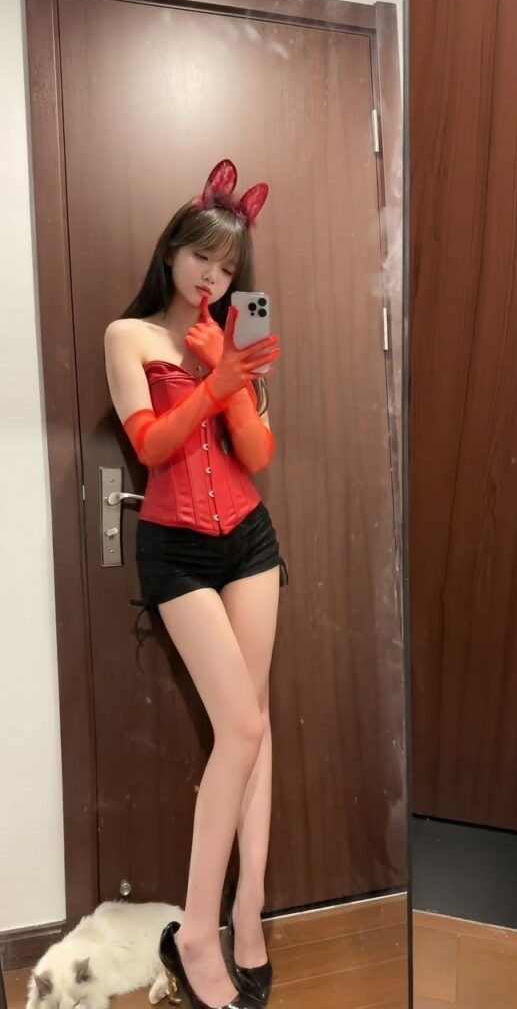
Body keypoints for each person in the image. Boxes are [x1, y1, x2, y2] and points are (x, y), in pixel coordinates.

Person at [104, 160, 286, 1009]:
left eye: (228, 265)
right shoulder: (130, 336)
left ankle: (248, 913)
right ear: (173, 250)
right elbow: (150, 447)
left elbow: (257, 456)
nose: (212, 275)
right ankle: (196, 935)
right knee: (239, 725)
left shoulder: (239, 333)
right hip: (175, 548)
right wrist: (214, 382)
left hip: (249, 540)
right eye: (202, 256)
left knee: (256, 723)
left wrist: (234, 378)